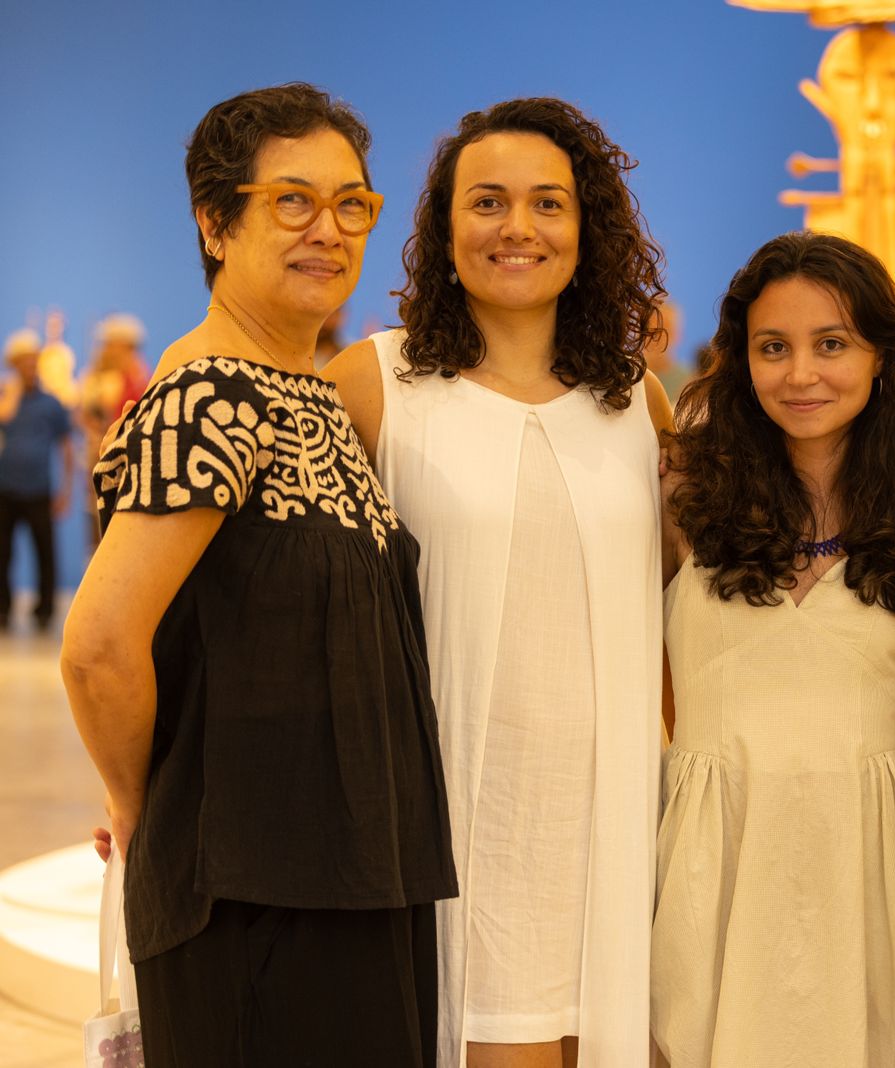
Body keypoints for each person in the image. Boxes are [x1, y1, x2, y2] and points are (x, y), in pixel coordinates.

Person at [59, 83, 457, 1067]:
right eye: (291, 201)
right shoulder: (210, 397)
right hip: (251, 900)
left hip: (347, 880)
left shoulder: (306, 392)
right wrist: (142, 806)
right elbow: (99, 645)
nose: (329, 229)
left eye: (352, 204)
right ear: (213, 222)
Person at [326, 97, 670, 1068]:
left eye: (547, 203)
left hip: (608, 827)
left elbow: (685, 615)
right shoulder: (375, 385)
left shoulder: (636, 401)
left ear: (586, 229)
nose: (518, 227)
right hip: (458, 831)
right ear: (443, 229)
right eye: (487, 201)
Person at [653, 231, 895, 1067]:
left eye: (831, 344)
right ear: (740, 359)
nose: (800, 374)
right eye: (773, 348)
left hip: (867, 849)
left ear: (880, 357)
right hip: (712, 840)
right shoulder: (680, 490)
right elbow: (663, 690)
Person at [0, 328, 73, 629]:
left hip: (40, 490)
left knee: (45, 553)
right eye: (23, 360)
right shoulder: (5, 398)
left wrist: (65, 491)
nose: (30, 365)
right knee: (2, 553)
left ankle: (45, 611)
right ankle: (2, 609)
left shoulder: (51, 404)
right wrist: (11, 395)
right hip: (5, 489)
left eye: (33, 359)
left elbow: (66, 448)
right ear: (13, 364)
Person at [79, 314, 151, 551]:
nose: (105, 349)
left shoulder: (140, 378)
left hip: (129, 467)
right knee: (96, 525)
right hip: (101, 462)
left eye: (110, 344)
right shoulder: (99, 377)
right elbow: (84, 416)